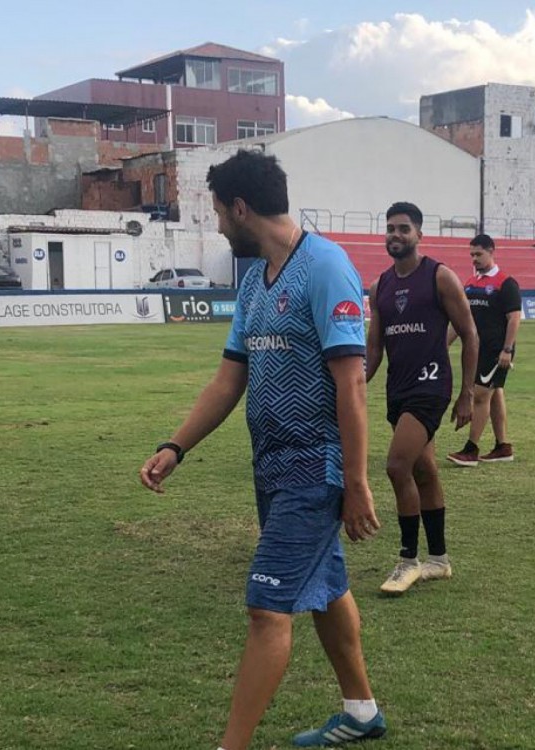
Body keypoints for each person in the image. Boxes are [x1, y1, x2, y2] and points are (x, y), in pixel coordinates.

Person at [137, 150, 386, 749]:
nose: (217, 223)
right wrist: (177, 446)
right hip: (271, 467)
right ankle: (361, 711)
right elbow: (229, 378)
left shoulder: (325, 267)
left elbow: (351, 383)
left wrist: (354, 483)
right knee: (325, 589)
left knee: (266, 609)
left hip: (315, 466)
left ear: (240, 208)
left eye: (218, 211)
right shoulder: (254, 282)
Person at [366, 202, 478, 596]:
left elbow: (469, 332)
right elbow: (374, 349)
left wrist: (466, 394)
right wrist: (354, 386)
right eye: (390, 229)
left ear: (419, 234)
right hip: (398, 390)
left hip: (431, 387)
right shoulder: (381, 286)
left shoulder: (439, 277)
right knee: (425, 470)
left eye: (403, 229)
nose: (395, 235)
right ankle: (439, 560)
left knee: (398, 465)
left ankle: (408, 560)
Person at [446, 233, 522, 466]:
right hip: (477, 350)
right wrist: (443, 345)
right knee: (495, 393)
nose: (474, 259)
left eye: (478, 254)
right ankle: (502, 447)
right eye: (472, 255)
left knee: (480, 396)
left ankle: (471, 450)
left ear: (491, 251)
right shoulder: (470, 284)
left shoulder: (505, 283)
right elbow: (462, 321)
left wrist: (507, 350)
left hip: (495, 350)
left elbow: (514, 319)